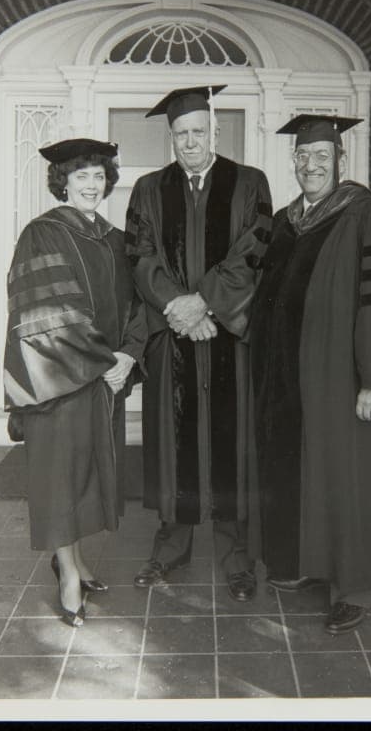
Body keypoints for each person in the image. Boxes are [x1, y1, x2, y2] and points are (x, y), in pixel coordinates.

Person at [249, 114, 371, 633]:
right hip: (295, 379)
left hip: (348, 379)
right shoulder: (290, 219)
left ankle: (358, 585)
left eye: (322, 157)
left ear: (340, 161)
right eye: (303, 157)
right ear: (294, 161)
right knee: (313, 472)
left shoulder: (368, 215)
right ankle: (313, 565)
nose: (311, 165)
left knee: (354, 478)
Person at [125, 85, 273, 602]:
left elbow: (255, 250)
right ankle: (170, 548)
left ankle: (238, 558)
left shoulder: (249, 183)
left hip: (228, 332)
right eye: (180, 133)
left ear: (215, 131)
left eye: (198, 131)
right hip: (176, 336)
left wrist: (205, 303)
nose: (189, 141)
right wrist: (179, 309)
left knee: (233, 441)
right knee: (174, 440)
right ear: (171, 137)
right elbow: (140, 257)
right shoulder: (148, 189)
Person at [4, 138, 146, 627]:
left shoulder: (113, 237)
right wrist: (103, 359)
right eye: (81, 175)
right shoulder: (41, 234)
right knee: (61, 478)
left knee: (87, 477)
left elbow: (137, 305)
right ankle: (67, 572)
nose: (91, 183)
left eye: (99, 175)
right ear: (62, 181)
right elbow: (44, 311)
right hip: (59, 382)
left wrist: (128, 354)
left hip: (105, 378)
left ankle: (77, 561)